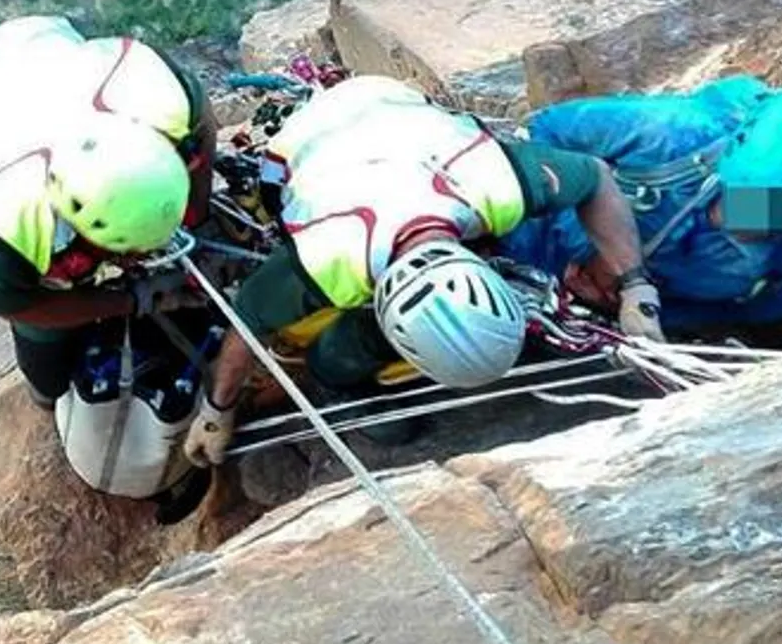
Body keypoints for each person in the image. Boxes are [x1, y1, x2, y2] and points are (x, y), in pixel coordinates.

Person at [183, 74, 657, 466]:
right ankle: (342, 381)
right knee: (335, 355)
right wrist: (216, 409)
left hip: (392, 109)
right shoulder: (327, 260)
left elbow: (594, 175)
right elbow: (249, 318)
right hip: (302, 146)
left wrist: (637, 286)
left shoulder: (494, 185)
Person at [0, 15, 219, 410]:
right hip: (11, 64)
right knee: (48, 375)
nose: (139, 260)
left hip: (54, 45)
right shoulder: (0, 229)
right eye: (126, 252)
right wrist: (132, 300)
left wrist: (198, 218)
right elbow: (25, 305)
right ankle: (45, 393)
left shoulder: (161, 96)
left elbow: (202, 125)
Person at [494, 76, 782, 336]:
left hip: (566, 310)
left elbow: (721, 315)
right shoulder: (673, 135)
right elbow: (547, 132)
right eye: (730, 191)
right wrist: (591, 244)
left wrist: (611, 309)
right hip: (515, 225)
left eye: (756, 205)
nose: (730, 212)